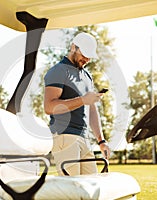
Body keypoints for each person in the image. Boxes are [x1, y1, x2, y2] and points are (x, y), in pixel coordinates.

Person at [43, 32, 111, 176]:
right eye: (84, 54)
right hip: (64, 137)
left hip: (85, 138)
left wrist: (101, 140)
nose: (86, 59)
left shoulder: (87, 76)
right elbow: (49, 107)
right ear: (73, 47)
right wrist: (83, 100)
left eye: (89, 56)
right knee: (72, 191)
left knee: (91, 188)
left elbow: (92, 110)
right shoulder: (58, 71)